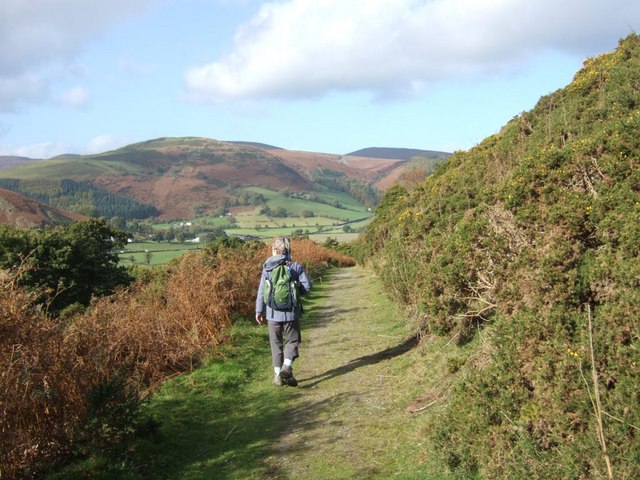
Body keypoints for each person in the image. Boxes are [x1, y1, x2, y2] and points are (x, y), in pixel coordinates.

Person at [255, 237, 312, 387]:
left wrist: (258, 311)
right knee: (292, 340)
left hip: (272, 313)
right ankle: (287, 367)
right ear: (288, 250)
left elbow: (262, 291)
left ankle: (277, 376)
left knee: (276, 344)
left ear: (274, 250)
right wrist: (296, 293)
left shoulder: (267, 268)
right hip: (291, 313)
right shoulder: (295, 266)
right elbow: (307, 286)